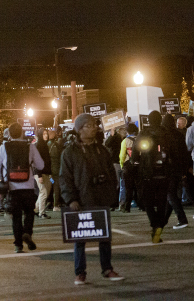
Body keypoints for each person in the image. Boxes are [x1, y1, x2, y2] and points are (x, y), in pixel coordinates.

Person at [60, 113, 124, 285]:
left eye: (95, 125)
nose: (95, 127)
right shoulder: (70, 152)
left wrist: (111, 194)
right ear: (80, 129)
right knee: (80, 238)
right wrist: (71, 199)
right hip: (81, 200)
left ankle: (107, 269)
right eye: (90, 125)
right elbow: (65, 178)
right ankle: (80, 273)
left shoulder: (101, 149)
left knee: (105, 236)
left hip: (101, 197)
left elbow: (111, 174)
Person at [0, 122, 44, 253]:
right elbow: (41, 165)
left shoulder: (3, 147)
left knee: (16, 217)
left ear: (9, 134)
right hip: (28, 186)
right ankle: (27, 232)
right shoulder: (30, 146)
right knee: (29, 212)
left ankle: (18, 245)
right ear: (22, 132)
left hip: (12, 187)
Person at [132, 111, 171, 243]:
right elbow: (174, 151)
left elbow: (135, 151)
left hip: (147, 172)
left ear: (148, 120)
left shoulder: (144, 133)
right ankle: (158, 225)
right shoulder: (166, 133)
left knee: (147, 201)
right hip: (164, 172)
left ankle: (155, 223)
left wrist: (135, 163)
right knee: (162, 202)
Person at [162, 114, 191, 229]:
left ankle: (182, 219)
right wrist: (184, 169)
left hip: (169, 168)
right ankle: (163, 220)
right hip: (178, 168)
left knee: (170, 194)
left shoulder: (164, 136)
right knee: (171, 193)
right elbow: (184, 153)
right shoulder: (178, 135)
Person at [120, 123, 141, 212]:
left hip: (128, 165)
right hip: (140, 164)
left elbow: (122, 155)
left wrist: (122, 165)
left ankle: (127, 207)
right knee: (139, 187)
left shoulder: (125, 141)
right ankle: (142, 205)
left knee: (129, 188)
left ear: (128, 131)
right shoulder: (141, 139)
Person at [105, 127, 126, 210]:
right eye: (123, 130)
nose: (124, 131)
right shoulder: (115, 137)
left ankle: (121, 203)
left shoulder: (125, 138)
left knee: (122, 184)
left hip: (122, 162)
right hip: (116, 162)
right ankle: (115, 203)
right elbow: (107, 143)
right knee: (117, 183)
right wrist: (112, 135)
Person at [34, 128, 51, 218]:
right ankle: (42, 213)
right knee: (43, 192)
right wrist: (39, 175)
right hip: (40, 173)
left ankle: (36, 209)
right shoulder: (39, 145)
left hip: (46, 173)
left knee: (45, 191)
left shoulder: (44, 145)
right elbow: (37, 161)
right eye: (44, 134)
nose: (46, 135)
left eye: (46, 133)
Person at [48, 128, 64, 211]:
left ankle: (47, 203)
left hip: (49, 172)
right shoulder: (55, 145)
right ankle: (55, 205)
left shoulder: (47, 144)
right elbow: (59, 157)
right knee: (56, 187)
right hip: (55, 171)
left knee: (50, 186)